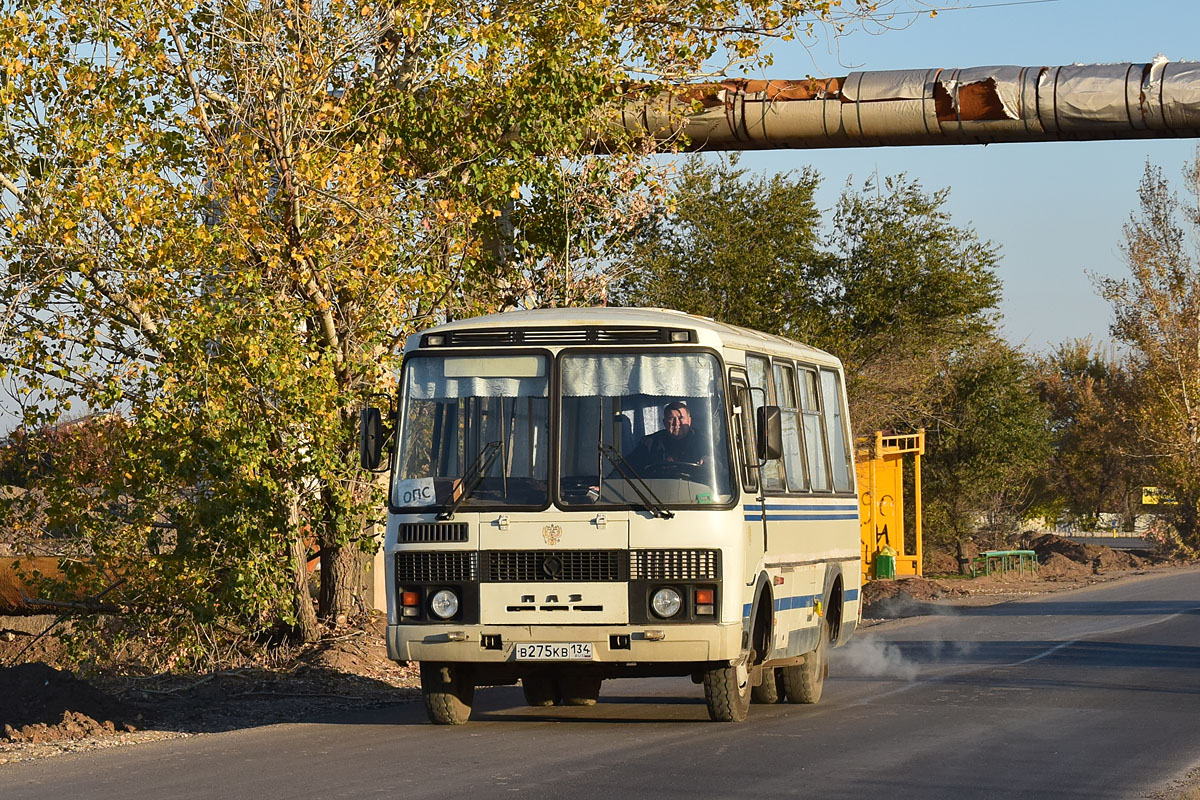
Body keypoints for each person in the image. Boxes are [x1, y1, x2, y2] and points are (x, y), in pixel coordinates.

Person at [628, 401, 708, 472]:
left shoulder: (703, 442)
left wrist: (709, 461)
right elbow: (627, 469)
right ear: (664, 422)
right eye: (671, 418)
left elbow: (717, 464)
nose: (676, 423)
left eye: (681, 418)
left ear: (689, 421)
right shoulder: (649, 443)